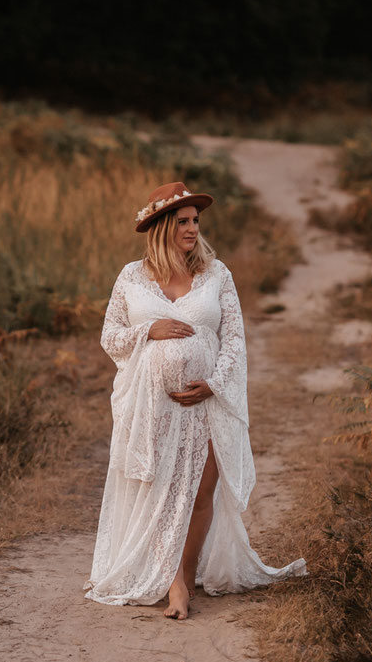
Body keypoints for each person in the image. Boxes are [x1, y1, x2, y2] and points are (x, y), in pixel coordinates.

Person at [84, 181, 307, 619]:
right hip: (152, 404)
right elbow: (109, 335)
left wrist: (214, 384)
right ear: (163, 226)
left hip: (203, 400)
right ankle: (174, 586)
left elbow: (235, 340)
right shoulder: (131, 276)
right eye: (183, 221)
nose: (192, 228)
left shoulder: (216, 273)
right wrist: (149, 330)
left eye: (195, 220)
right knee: (161, 490)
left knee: (202, 491)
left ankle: (183, 574)